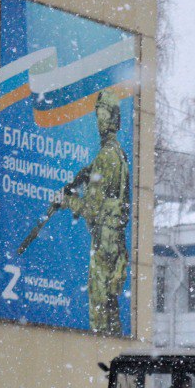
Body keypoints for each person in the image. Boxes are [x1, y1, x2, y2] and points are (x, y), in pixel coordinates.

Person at [56, 90, 131, 335]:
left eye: (103, 117)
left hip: (105, 241)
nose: (99, 123)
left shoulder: (105, 158)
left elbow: (90, 208)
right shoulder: (119, 156)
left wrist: (66, 200)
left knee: (99, 305)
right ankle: (112, 356)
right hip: (117, 243)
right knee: (111, 305)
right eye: (98, 116)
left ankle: (100, 359)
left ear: (111, 120)